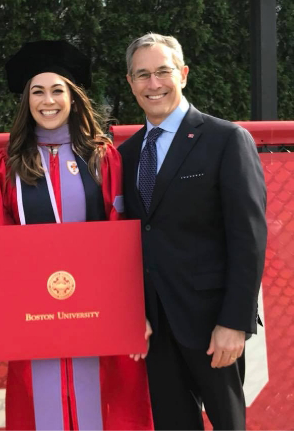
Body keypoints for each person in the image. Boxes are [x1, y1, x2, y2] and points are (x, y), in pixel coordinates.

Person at [0, 40, 153, 430]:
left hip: (99, 312)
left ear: (73, 98)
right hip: (33, 314)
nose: (48, 100)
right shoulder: (4, 167)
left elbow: (120, 241)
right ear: (26, 101)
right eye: (37, 91)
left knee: (107, 402)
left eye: (58, 90)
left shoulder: (103, 157)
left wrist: (134, 310)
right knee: (41, 404)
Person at [118, 33, 267, 430]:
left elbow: (248, 238)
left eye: (163, 72)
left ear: (183, 74)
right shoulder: (126, 154)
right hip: (154, 327)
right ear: (130, 83)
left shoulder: (226, 139)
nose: (154, 84)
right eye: (142, 75)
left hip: (212, 324)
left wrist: (235, 322)